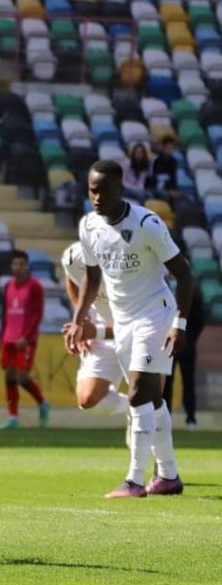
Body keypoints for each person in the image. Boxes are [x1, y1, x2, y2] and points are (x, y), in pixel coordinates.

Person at [64, 159, 194, 498]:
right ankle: (168, 475)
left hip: (155, 312)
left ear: (120, 189)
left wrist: (179, 324)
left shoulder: (147, 223)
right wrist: (79, 319)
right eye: (92, 190)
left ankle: (135, 481)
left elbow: (185, 274)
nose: (96, 198)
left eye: (103, 191)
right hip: (122, 320)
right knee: (152, 398)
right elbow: (92, 280)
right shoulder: (89, 227)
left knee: (137, 390)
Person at [60, 242, 129, 417]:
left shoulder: (129, 270)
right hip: (102, 336)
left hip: (138, 340)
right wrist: (81, 321)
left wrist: (95, 332)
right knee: (87, 400)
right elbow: (71, 277)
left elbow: (138, 326)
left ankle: (145, 415)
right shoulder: (74, 256)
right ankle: (132, 407)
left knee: (151, 398)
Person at [0, 250, 50, 429]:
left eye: (21, 264)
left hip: (25, 340)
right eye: (15, 264)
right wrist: (1, 337)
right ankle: (12, 417)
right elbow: (4, 315)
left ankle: (42, 403)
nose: (18, 267)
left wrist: (27, 337)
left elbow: (37, 314)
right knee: (9, 376)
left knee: (21, 377)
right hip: (9, 338)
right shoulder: (8, 286)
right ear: (11, 266)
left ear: (27, 266)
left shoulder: (35, 286)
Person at [163, 284, 204, 430]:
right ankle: (166, 418)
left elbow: (199, 319)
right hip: (167, 344)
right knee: (167, 382)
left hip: (186, 346)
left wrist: (188, 339)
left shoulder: (193, 289)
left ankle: (191, 418)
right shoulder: (162, 285)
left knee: (188, 381)